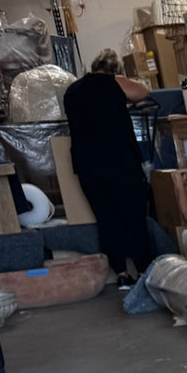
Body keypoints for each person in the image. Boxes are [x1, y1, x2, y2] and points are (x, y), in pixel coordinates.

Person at [62, 49, 153, 290]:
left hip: (87, 166)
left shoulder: (72, 90)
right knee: (133, 217)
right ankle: (144, 271)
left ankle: (122, 275)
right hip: (119, 161)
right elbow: (142, 92)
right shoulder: (113, 81)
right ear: (114, 71)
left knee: (107, 219)